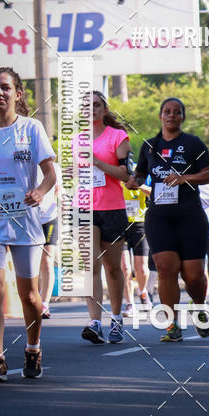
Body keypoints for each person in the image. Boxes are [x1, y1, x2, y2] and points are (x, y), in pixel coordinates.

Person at [127, 97, 209, 342]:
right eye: (167, 111)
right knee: (166, 268)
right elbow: (141, 173)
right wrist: (134, 180)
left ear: (182, 117)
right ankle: (172, 325)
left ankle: (199, 306)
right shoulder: (150, 145)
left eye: (177, 112)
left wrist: (184, 178)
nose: (171, 116)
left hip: (190, 215)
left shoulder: (192, 143)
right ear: (160, 116)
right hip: (159, 216)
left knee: (193, 275)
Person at [0, 67, 56, 381]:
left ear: (17, 93)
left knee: (29, 295)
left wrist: (39, 192)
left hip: (24, 220)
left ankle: (33, 347)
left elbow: (50, 174)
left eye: (5, 88)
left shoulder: (31, 128)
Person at [76, 91, 131, 345]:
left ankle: (116, 319)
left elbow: (125, 174)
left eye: (96, 105)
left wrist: (97, 162)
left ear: (105, 110)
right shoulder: (76, 140)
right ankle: (95, 322)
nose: (91, 109)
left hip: (112, 208)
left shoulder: (117, 137)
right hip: (84, 207)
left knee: (112, 267)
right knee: (90, 265)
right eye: (87, 106)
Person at [121, 182, 152, 318]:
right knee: (125, 268)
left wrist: (138, 184)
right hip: (120, 224)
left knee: (142, 269)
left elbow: (154, 193)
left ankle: (142, 291)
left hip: (140, 224)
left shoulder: (142, 175)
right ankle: (130, 303)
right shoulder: (115, 174)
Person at [38, 161, 62, 319]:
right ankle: (33, 299)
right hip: (28, 219)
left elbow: (59, 192)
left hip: (49, 218)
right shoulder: (23, 164)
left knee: (47, 261)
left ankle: (44, 303)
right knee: (32, 262)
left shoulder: (56, 168)